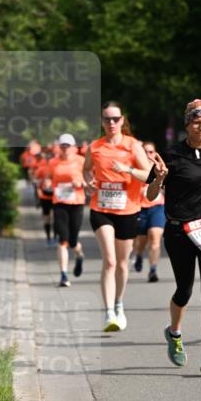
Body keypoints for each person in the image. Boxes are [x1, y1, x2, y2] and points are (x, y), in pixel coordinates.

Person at [147, 99, 201, 374]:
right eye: (196, 122)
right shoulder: (171, 155)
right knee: (184, 289)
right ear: (188, 125)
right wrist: (159, 178)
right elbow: (151, 195)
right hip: (179, 230)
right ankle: (174, 333)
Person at [83, 102, 150, 331]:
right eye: (106, 119)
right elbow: (86, 170)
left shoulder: (133, 145)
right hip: (101, 209)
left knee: (122, 264)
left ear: (122, 120)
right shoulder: (96, 146)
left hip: (128, 210)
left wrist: (128, 170)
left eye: (115, 119)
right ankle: (109, 312)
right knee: (110, 260)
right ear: (101, 121)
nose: (111, 123)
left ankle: (119, 303)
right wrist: (88, 183)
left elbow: (148, 175)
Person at [51, 133, 86, 286]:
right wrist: (45, 183)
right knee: (63, 240)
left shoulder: (81, 161)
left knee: (73, 241)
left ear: (73, 147)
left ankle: (79, 256)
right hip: (59, 202)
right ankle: (64, 275)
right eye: (62, 145)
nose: (64, 148)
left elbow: (90, 179)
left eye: (67, 145)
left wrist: (80, 182)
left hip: (76, 203)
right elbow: (46, 177)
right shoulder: (53, 162)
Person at [132, 141, 165, 282]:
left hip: (157, 207)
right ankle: (139, 255)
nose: (148, 154)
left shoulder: (160, 167)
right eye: (145, 151)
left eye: (151, 152)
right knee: (141, 241)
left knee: (155, 237)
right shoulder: (136, 168)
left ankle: (153, 269)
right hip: (139, 208)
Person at [34, 145, 56, 245]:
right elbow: (37, 184)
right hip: (45, 196)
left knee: (55, 217)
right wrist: (39, 195)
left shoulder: (57, 169)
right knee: (47, 218)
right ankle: (48, 238)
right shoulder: (41, 169)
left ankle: (55, 237)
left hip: (56, 196)